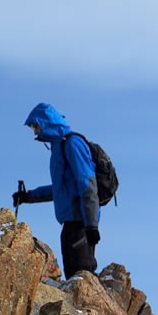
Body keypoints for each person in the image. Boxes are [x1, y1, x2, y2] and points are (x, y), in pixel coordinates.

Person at [12, 103, 100, 276]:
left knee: (81, 277)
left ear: (46, 122)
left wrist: (91, 224)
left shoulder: (72, 143)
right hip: (69, 224)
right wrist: (28, 196)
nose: (35, 132)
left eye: (36, 126)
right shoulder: (58, 148)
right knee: (74, 279)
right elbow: (61, 189)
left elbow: (87, 183)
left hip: (80, 224)